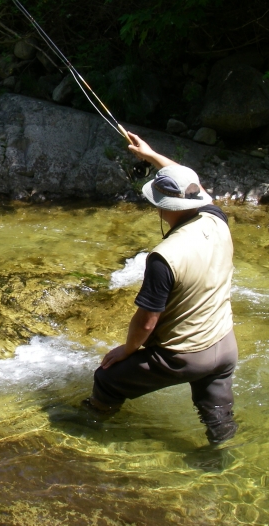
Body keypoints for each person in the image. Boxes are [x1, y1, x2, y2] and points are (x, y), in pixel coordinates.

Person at [83, 131, 239, 444]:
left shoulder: (163, 257)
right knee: (217, 414)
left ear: (163, 207)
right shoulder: (215, 218)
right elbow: (189, 183)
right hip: (225, 346)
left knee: (108, 379)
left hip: (184, 356)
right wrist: (151, 155)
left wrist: (125, 351)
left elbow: (147, 321)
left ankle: (87, 429)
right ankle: (224, 457)